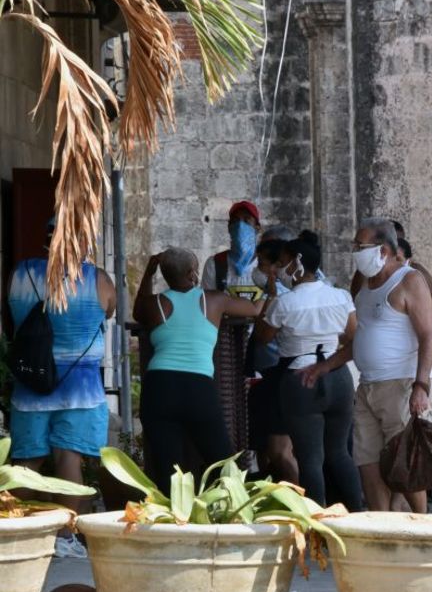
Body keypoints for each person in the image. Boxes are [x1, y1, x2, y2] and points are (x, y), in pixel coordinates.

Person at [301, 219, 432, 513]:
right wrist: (324, 366)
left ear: (384, 250)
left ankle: (424, 524)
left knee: (405, 462)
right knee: (368, 462)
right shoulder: (362, 283)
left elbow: (428, 337)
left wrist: (421, 385)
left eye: (360, 246)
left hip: (401, 385)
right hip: (368, 386)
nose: (354, 252)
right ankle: (381, 527)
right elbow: (360, 340)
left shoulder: (409, 281)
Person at [8, 216, 116, 558]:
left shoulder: (20, 273)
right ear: (82, 242)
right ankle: (64, 538)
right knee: (69, 457)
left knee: (28, 461)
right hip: (79, 387)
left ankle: (16, 532)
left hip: (31, 381)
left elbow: (10, 317)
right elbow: (109, 311)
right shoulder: (97, 279)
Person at [133, 248, 259, 494]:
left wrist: (148, 274)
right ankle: (227, 514)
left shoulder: (155, 304)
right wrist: (271, 290)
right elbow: (254, 309)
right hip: (198, 388)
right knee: (222, 461)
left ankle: (173, 523)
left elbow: (138, 309)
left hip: (159, 386)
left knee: (167, 467)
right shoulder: (212, 299)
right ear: (193, 273)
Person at [254, 232, 361, 510]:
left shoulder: (284, 303)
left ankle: (316, 519)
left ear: (296, 265)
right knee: (339, 452)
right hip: (338, 376)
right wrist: (329, 358)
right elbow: (354, 338)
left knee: (310, 457)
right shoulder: (341, 296)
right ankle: (359, 511)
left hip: (300, 378)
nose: (278, 269)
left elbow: (262, 337)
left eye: (283, 263)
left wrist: (273, 294)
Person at [246, 237, 298, 483]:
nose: (258, 268)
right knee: (264, 447)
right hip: (265, 375)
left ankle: (299, 498)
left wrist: (270, 299)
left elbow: (263, 335)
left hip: (279, 374)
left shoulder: (283, 297)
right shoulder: (271, 293)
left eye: (262, 263)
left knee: (280, 450)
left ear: (277, 266)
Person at [201, 200, 262, 296]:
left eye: (246, 221)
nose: (240, 226)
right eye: (235, 221)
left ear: (257, 228)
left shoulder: (268, 265)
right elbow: (207, 304)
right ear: (229, 227)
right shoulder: (215, 264)